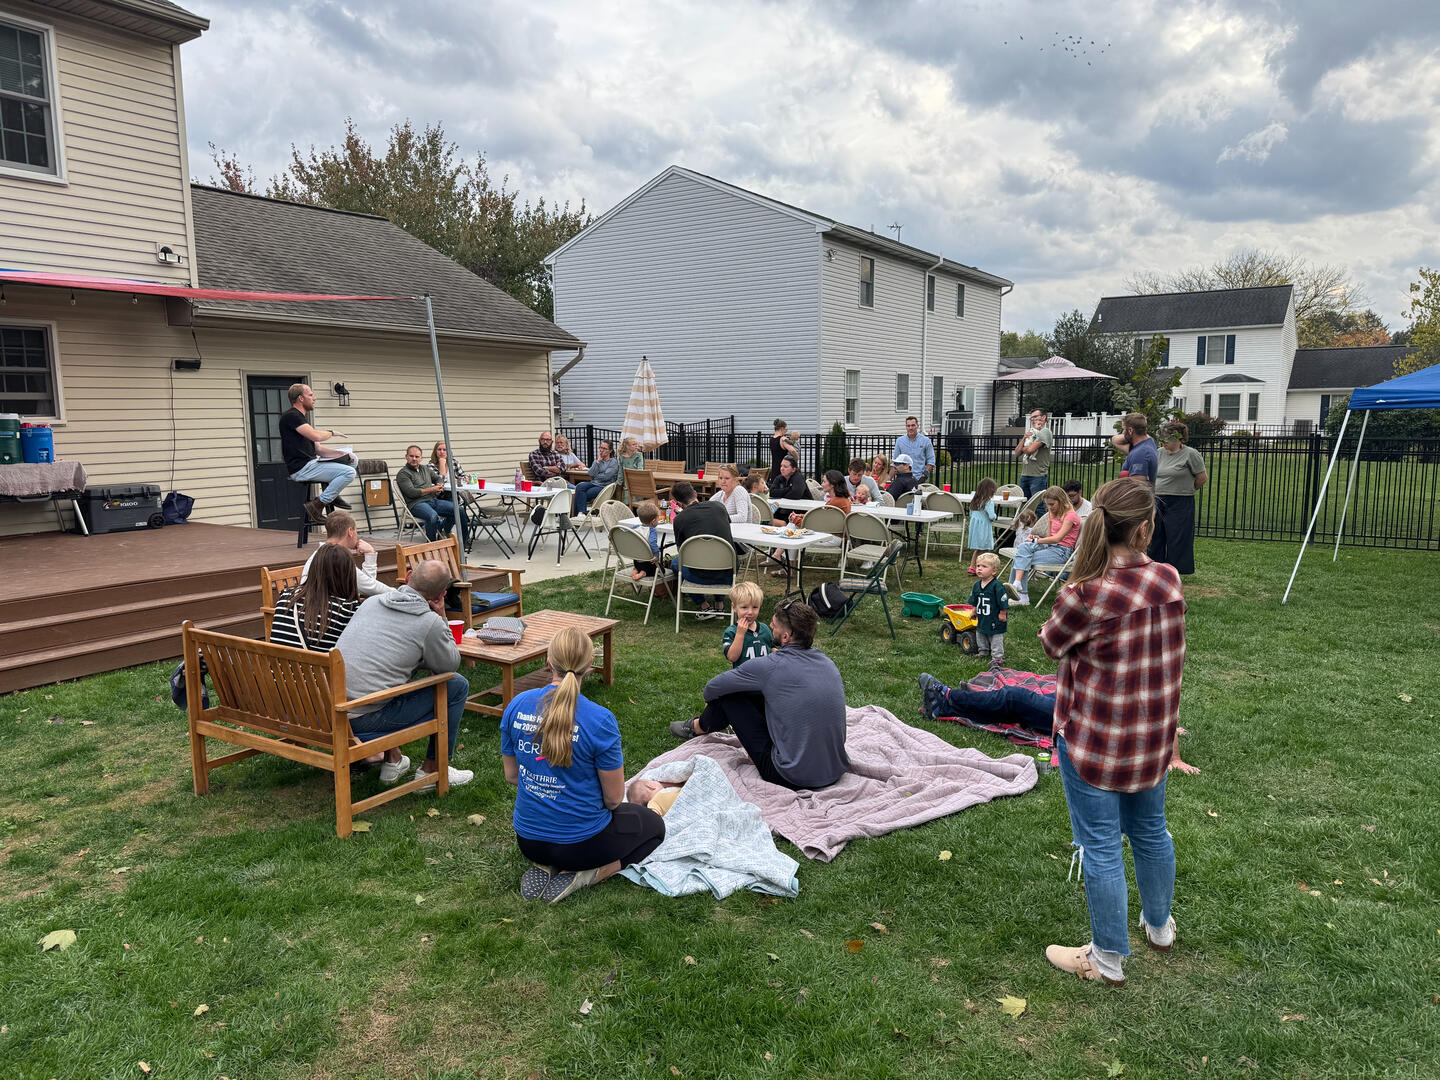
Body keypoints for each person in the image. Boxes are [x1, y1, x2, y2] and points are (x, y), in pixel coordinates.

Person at [1038, 477, 1189, 987]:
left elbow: (1050, 644)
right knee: (1151, 831)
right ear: (1145, 529)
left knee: (1102, 845)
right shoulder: (1168, 579)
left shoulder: (1083, 594)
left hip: (1093, 741)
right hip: (1152, 738)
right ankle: (1159, 928)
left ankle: (1105, 960)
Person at [501, 625, 665, 903]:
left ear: (548, 662)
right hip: (583, 846)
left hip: (529, 842)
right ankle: (590, 874)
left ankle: (547, 864)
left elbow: (511, 776)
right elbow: (613, 800)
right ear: (590, 665)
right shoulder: (600, 719)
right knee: (654, 826)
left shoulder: (516, 705)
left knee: (564, 835)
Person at [669, 600, 850, 790]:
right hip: (834, 769)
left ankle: (698, 726)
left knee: (730, 696)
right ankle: (701, 725)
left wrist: (715, 699)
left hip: (790, 775)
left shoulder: (771, 666)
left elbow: (712, 688)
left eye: (774, 625)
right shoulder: (828, 663)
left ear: (786, 637)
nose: (770, 626)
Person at [334, 560, 472, 791]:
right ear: (442, 594)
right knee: (456, 686)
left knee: (389, 677)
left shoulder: (371, 602)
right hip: (361, 720)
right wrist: (441, 615)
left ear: (408, 577)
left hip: (330, 711)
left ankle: (393, 761)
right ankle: (433, 771)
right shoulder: (428, 622)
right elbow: (449, 666)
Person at [280, 382, 357, 523]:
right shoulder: (292, 416)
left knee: (353, 459)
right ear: (301, 398)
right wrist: (332, 432)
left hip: (312, 463)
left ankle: (331, 494)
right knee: (349, 473)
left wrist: (342, 455)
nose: (314, 398)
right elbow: (316, 436)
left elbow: (319, 450)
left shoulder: (301, 420)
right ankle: (316, 505)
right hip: (301, 468)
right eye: (310, 395)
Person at [271, 542, 361, 652]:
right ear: (348, 574)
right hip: (315, 664)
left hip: (278, 663)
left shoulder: (285, 596)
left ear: (314, 568)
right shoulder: (347, 609)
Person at [1149, 421, 1208, 575]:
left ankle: (1175, 571)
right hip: (1157, 500)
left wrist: (1186, 489)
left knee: (1178, 536)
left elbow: (1202, 478)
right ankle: (1155, 567)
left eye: (1167, 437)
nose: (1164, 441)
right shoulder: (1159, 453)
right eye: (1162, 437)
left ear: (1179, 438)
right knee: (1155, 534)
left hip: (1181, 501)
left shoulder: (1191, 454)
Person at [1007, 486, 1081, 607]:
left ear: (1061, 500)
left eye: (1052, 504)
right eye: (1047, 504)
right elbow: (1050, 536)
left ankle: (1019, 593)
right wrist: (1037, 539)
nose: (1049, 507)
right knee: (1024, 548)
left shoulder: (1070, 515)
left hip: (1062, 552)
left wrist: (1037, 540)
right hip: (1050, 547)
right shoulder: (1052, 513)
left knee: (1020, 557)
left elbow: (1058, 538)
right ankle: (1017, 587)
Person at [670, 480, 735, 615]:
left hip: (698, 575)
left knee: (676, 563)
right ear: (695, 493)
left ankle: (704, 605)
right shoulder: (719, 507)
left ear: (679, 503)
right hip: (728, 572)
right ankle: (719, 603)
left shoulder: (679, 519)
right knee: (719, 556)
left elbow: (681, 552)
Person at [301, 510, 391, 597]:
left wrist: (369, 554)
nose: (357, 535)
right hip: (333, 606)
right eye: (356, 531)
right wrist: (370, 553)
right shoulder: (337, 557)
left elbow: (365, 585)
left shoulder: (317, 554)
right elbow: (371, 588)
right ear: (350, 532)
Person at [397, 444, 461, 542]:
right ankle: (432, 544)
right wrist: (432, 489)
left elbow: (438, 478)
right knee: (432, 516)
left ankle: (454, 536)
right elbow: (411, 493)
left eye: (417, 456)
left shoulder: (425, 469)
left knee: (458, 509)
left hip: (432, 501)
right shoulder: (403, 473)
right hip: (416, 504)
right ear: (406, 457)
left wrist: (439, 485)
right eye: (411, 456)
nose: (414, 459)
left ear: (421, 458)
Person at [967, 551, 1009, 663]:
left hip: (995, 617)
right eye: (978, 566)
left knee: (995, 637)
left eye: (984, 566)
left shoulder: (997, 586)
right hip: (982, 616)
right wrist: (974, 611)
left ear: (994, 571)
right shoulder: (976, 586)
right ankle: (983, 651)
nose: (979, 569)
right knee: (980, 633)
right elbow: (975, 601)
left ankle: (997, 657)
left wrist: (1003, 613)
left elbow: (1003, 601)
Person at [721, 581, 772, 667]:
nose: (750, 612)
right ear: (734, 607)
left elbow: (772, 648)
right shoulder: (731, 632)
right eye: (744, 607)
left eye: (755, 607)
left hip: (764, 674)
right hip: (743, 675)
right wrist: (740, 634)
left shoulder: (765, 629)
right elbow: (732, 657)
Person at [1014, 409, 1053, 502]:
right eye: (1031, 418)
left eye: (1035, 417)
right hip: (1025, 475)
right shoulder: (1031, 433)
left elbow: (1030, 450)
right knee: (1024, 504)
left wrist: (1024, 448)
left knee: (1038, 505)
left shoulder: (1045, 432)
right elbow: (1017, 453)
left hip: (1038, 476)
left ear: (1043, 418)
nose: (1032, 419)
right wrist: (1024, 438)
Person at [572, 440, 619, 516]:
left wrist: (596, 476)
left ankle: (578, 515)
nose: (601, 450)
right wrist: (597, 461)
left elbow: (606, 477)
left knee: (582, 494)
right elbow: (590, 473)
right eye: (601, 447)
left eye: (604, 448)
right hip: (594, 483)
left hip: (604, 486)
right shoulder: (598, 461)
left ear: (610, 451)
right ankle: (581, 514)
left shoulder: (613, 462)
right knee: (579, 487)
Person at [1110, 412, 1159, 485]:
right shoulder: (1149, 441)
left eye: (1124, 429)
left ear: (1130, 430)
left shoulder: (1140, 453)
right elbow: (1115, 440)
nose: (1123, 433)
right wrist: (1129, 435)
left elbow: (1137, 486)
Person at [967, 477, 998, 574]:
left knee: (979, 548)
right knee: (984, 548)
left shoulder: (975, 500)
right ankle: (981, 566)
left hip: (975, 527)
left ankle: (973, 566)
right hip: (983, 527)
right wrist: (995, 517)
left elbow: (971, 514)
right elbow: (991, 516)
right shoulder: (988, 502)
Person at [892, 415, 936, 480]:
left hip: (919, 478)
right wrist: (888, 479)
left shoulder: (926, 441)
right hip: (903, 478)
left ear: (917, 426)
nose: (910, 428)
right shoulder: (900, 441)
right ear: (906, 427)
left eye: (913, 425)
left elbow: (931, 461)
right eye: (908, 426)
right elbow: (895, 462)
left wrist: (924, 475)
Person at [628, 500, 663, 580]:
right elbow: (652, 543)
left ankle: (636, 569)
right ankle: (644, 573)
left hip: (636, 559)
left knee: (640, 563)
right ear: (653, 521)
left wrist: (612, 535)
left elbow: (624, 531)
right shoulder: (652, 530)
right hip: (648, 560)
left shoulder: (636, 527)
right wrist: (656, 555)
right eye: (658, 519)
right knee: (661, 570)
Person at [615, 436, 645, 502]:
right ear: (627, 446)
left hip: (637, 480)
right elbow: (621, 471)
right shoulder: (622, 457)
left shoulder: (639, 455)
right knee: (628, 500)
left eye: (637, 444)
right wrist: (618, 482)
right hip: (627, 482)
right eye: (633, 444)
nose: (636, 446)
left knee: (638, 501)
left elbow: (640, 468)